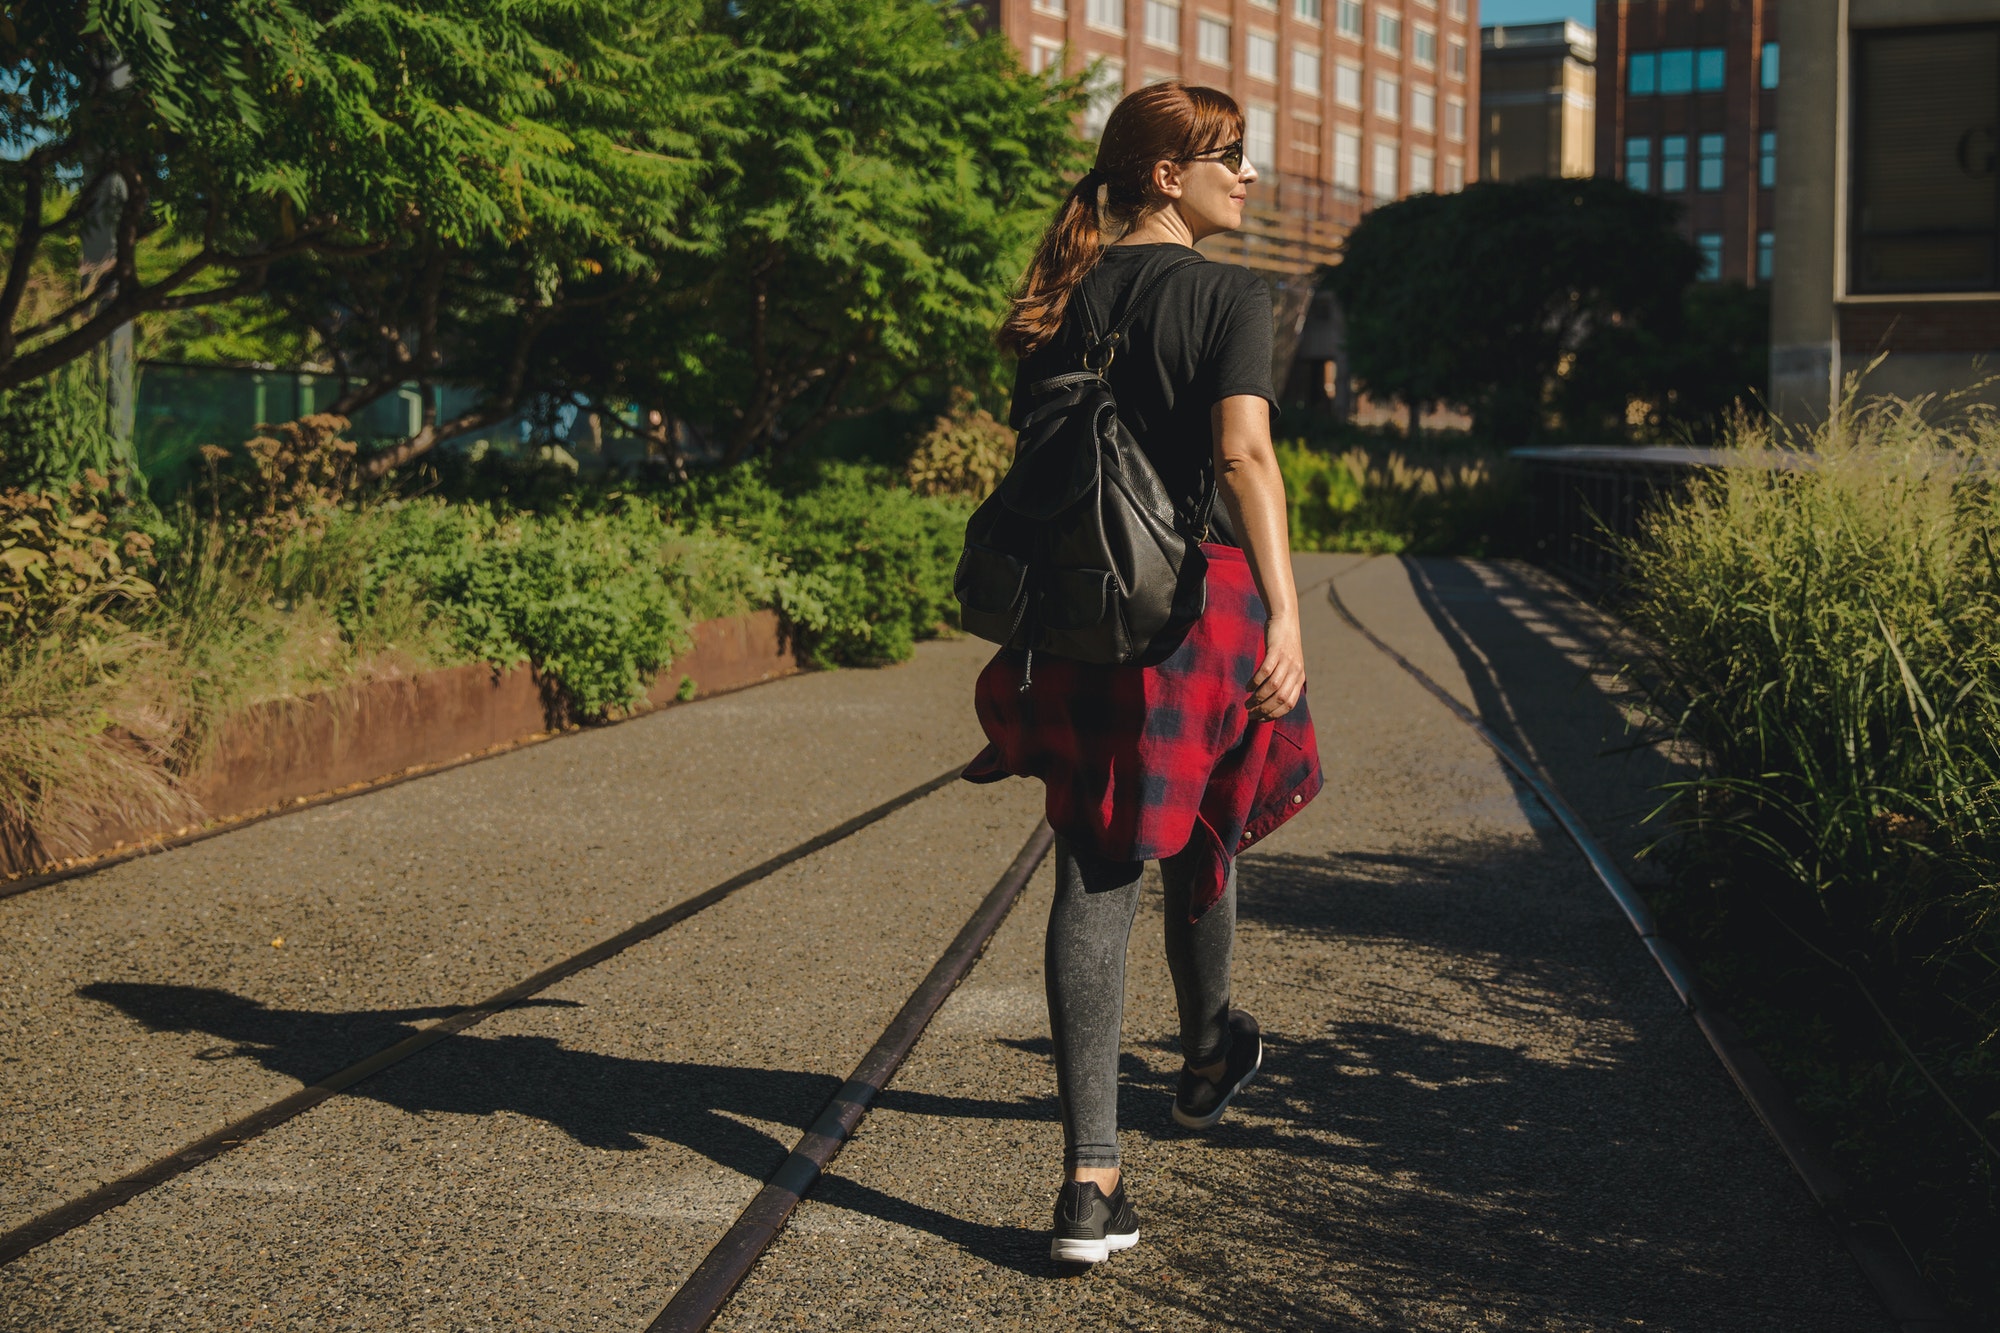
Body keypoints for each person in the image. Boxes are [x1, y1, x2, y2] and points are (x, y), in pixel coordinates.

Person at [963, 82, 1323, 1266]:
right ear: (1168, 176)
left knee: (1096, 857)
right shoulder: (1227, 294)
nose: (1248, 178)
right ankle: (1202, 1054)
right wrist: (1284, 611)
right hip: (1192, 617)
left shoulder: (1055, 302)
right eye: (1231, 158)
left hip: (1074, 620)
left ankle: (1090, 1181)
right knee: (1200, 832)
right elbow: (1242, 454)